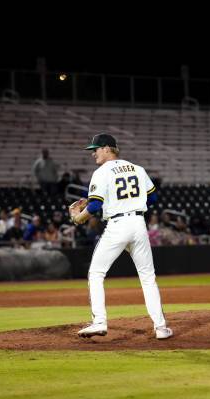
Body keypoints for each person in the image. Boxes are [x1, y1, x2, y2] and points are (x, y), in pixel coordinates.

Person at [69, 133, 172, 340]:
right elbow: (152, 197)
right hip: (138, 224)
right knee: (148, 277)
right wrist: (132, 204)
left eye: (95, 149)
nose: (93, 154)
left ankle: (99, 322)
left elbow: (96, 205)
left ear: (107, 148)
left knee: (96, 273)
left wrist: (78, 218)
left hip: (117, 225)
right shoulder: (138, 169)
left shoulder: (102, 172)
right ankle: (160, 328)